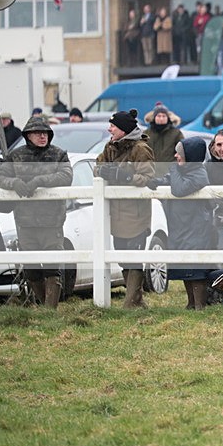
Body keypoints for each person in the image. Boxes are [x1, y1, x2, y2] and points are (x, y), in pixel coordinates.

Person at [0, 117, 73, 307]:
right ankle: (42, 305)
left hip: (52, 221)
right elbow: (1, 176)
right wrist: (14, 183)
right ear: (28, 135)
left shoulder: (58, 154)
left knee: (52, 268)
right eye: (38, 133)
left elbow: (66, 176)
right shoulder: (15, 156)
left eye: (45, 133)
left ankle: (50, 310)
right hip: (25, 221)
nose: (42, 136)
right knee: (31, 269)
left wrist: (39, 181)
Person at [94, 109, 156, 309]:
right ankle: (138, 301)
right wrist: (105, 171)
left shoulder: (141, 148)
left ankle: (130, 303)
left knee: (134, 258)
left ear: (123, 129)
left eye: (113, 126)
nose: (109, 129)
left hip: (136, 214)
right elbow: (97, 167)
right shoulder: (110, 147)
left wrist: (126, 176)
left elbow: (148, 177)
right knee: (121, 258)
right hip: (116, 213)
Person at [146, 137, 213, 310]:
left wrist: (174, 170)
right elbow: (169, 180)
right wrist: (156, 182)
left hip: (195, 228)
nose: (176, 156)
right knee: (183, 265)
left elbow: (179, 189)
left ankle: (200, 304)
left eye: (179, 153)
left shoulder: (199, 173)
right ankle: (191, 303)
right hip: (180, 226)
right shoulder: (182, 171)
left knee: (195, 267)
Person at [144, 104, 184, 177]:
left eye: (164, 116)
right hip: (150, 175)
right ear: (154, 117)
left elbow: (182, 153)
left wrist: (174, 168)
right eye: (159, 116)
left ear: (168, 118)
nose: (161, 118)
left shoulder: (176, 133)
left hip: (170, 175)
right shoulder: (146, 134)